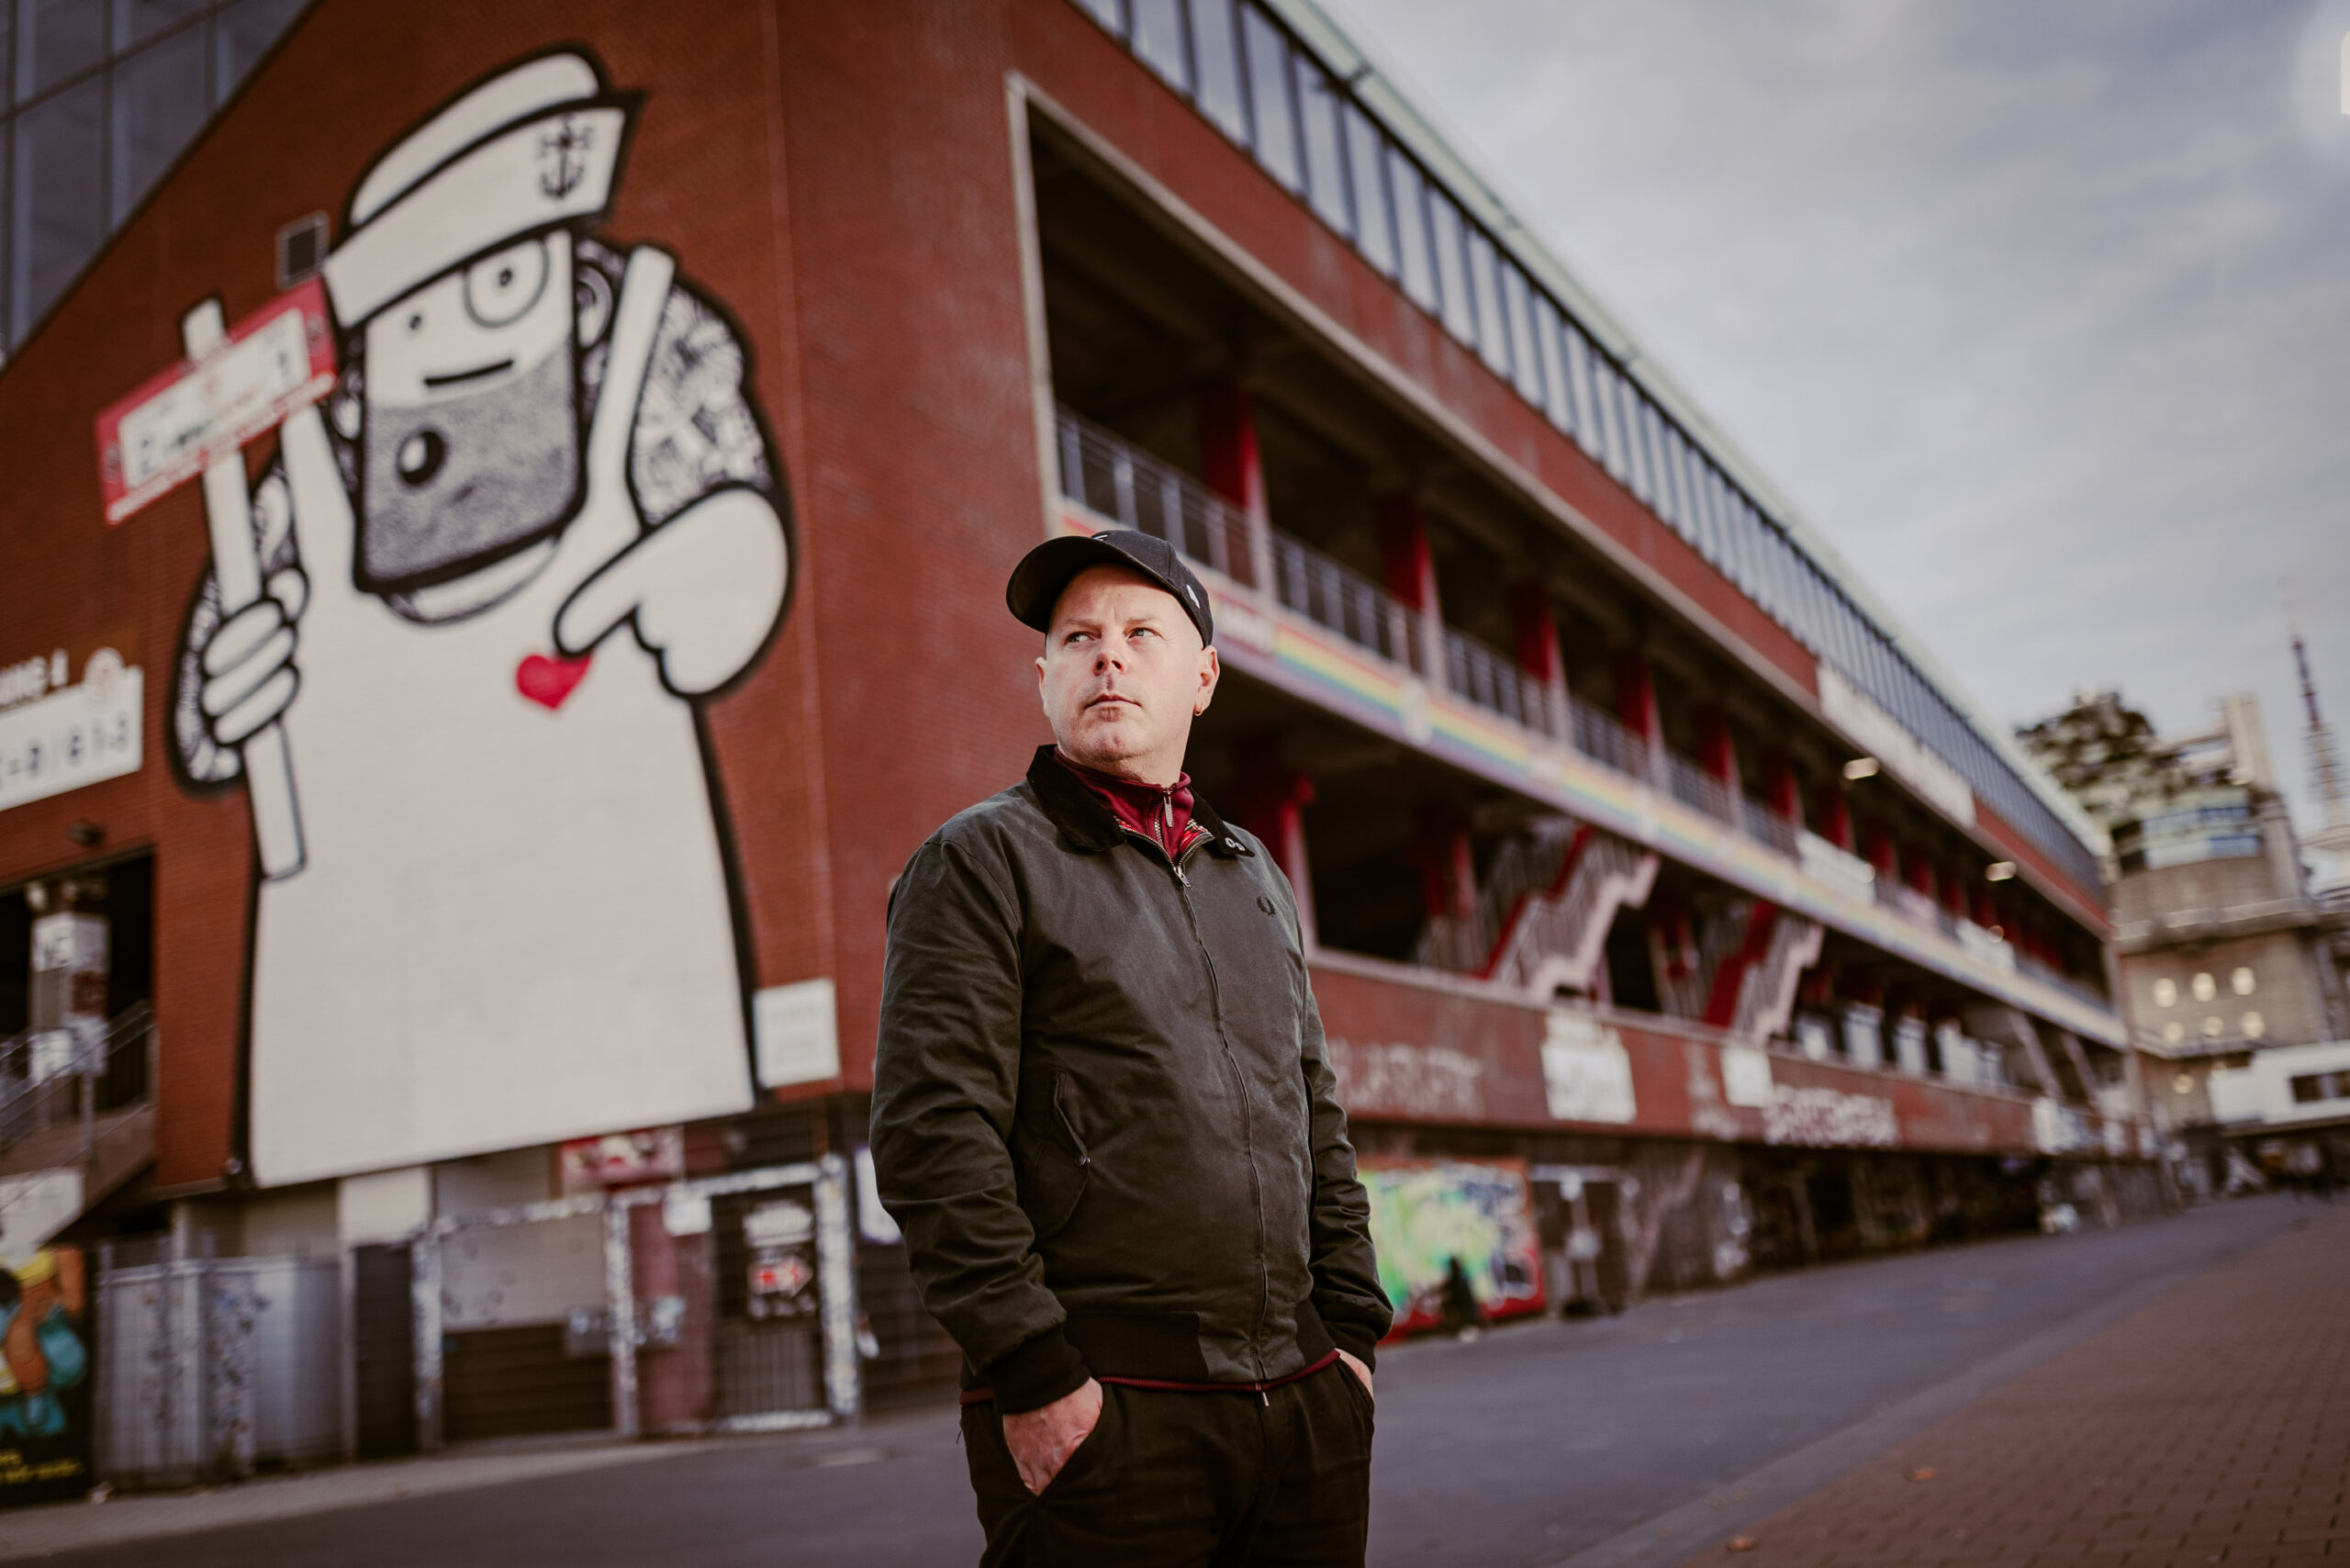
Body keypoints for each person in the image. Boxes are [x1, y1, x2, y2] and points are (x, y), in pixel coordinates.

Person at [871, 531, 1391, 1565]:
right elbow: (935, 1134)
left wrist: (1350, 1339)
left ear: (1201, 677)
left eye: (1140, 633)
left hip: (1301, 1401)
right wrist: (1040, 1377)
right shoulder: (980, 860)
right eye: (1078, 638)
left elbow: (1313, 1115)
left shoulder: (1251, 877)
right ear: (1045, 676)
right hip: (1108, 1413)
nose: (1106, 656)